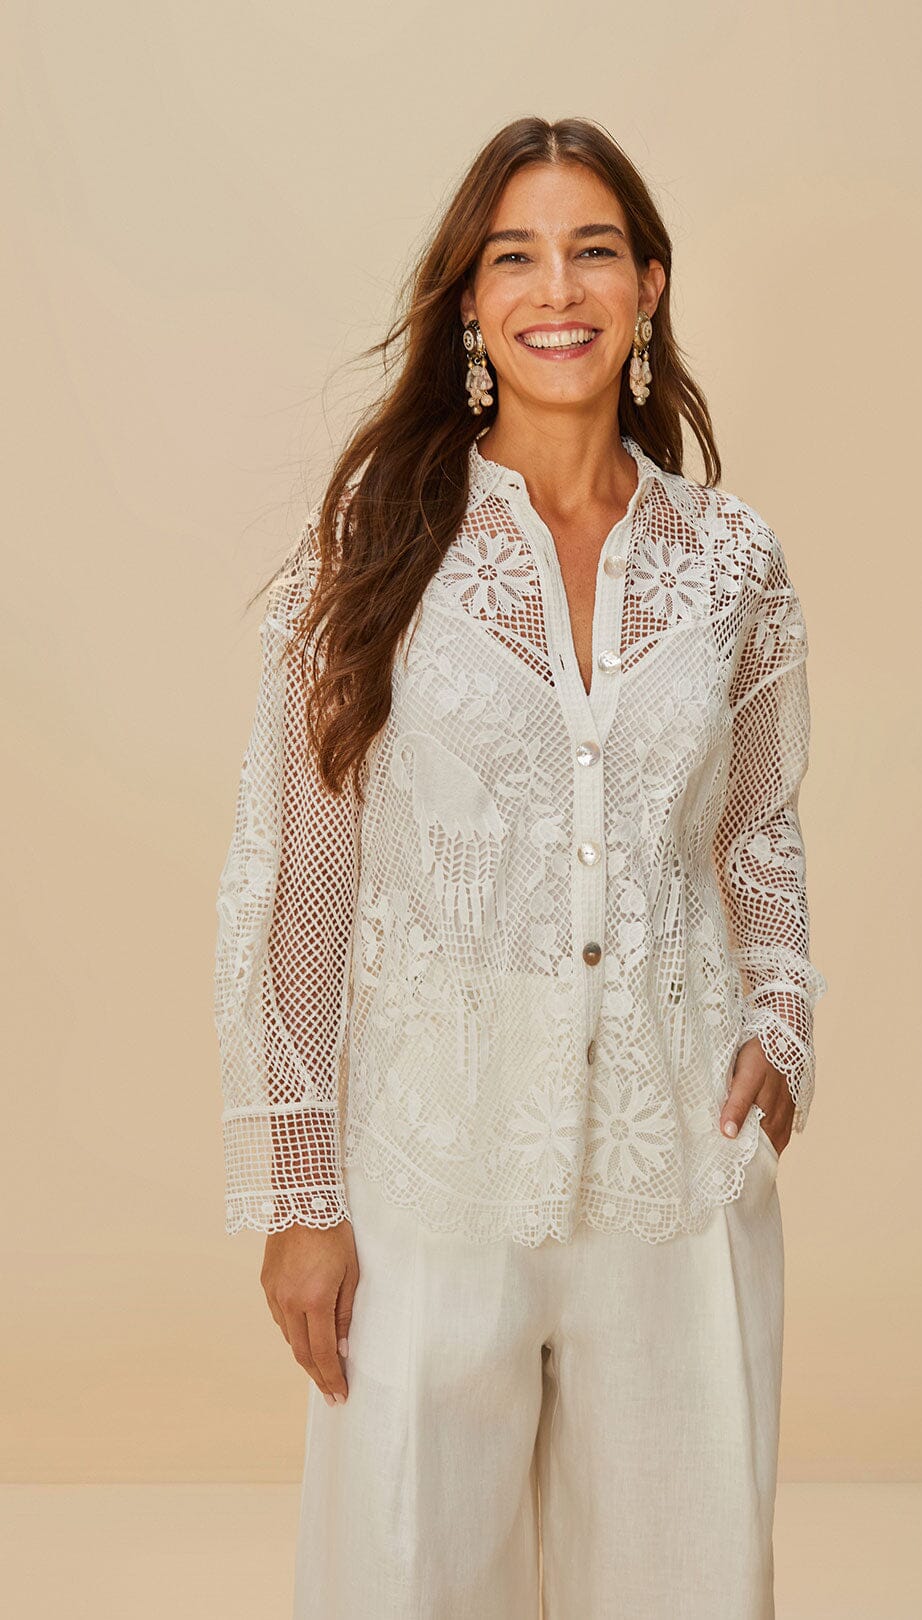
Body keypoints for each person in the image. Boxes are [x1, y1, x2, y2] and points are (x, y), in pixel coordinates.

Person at [214, 114, 828, 1620]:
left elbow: (757, 822)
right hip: (432, 1174)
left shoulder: (730, 560)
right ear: (473, 305)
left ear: (649, 287)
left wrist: (784, 1011)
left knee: (690, 1583)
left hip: (675, 1173)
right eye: (516, 257)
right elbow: (299, 881)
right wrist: (300, 1192)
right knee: (406, 1581)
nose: (558, 288)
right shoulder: (371, 548)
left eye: (593, 251)